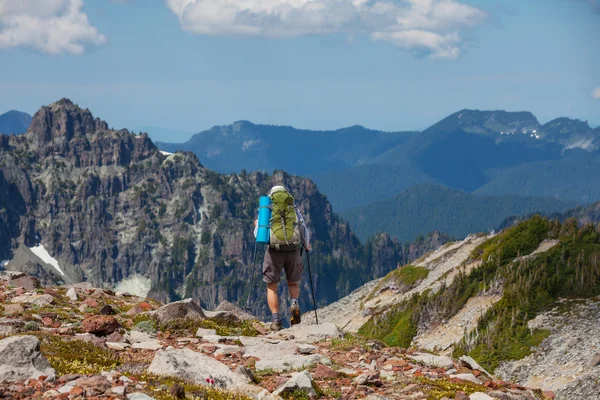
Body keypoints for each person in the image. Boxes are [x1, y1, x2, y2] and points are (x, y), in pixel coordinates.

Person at [254, 185, 311, 331]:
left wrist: (256, 225)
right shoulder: (294, 209)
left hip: (274, 252)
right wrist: (306, 245)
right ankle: (294, 302)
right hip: (293, 251)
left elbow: (258, 235)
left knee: (272, 286)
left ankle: (276, 320)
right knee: (293, 283)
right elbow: (303, 228)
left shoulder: (267, 209)